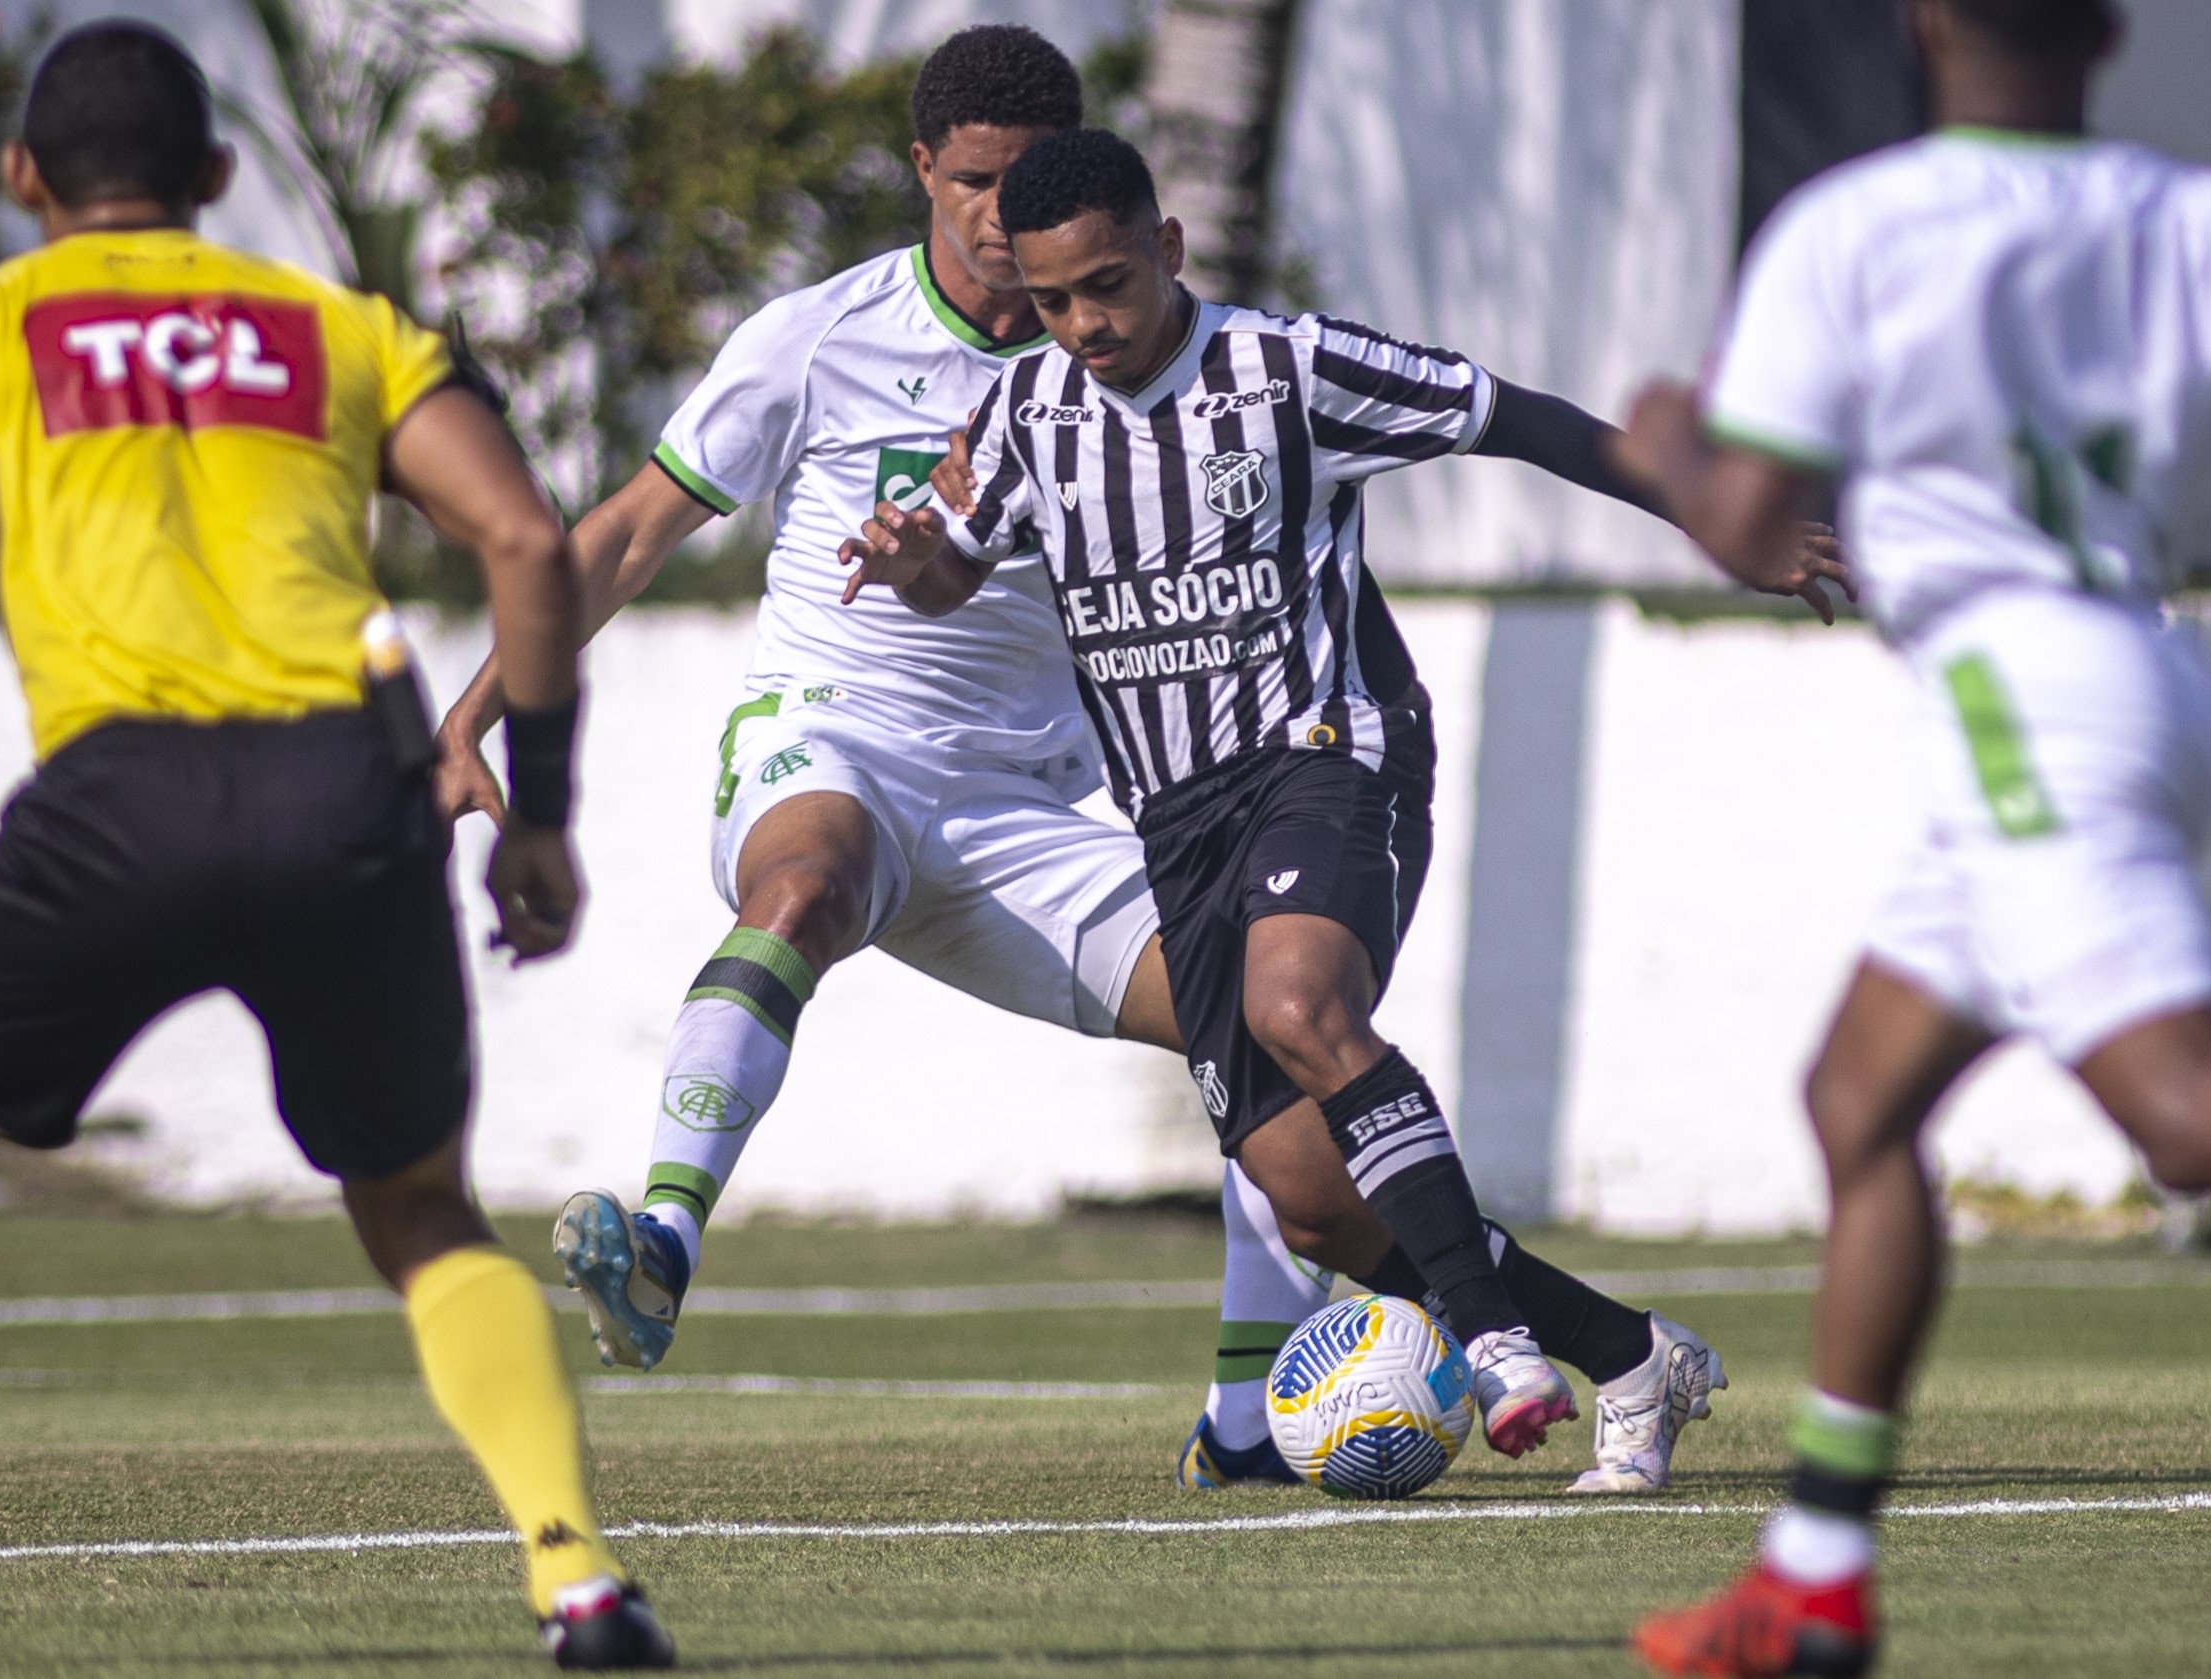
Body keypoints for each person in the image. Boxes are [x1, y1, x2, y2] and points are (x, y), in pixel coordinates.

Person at [436, 25, 1712, 1497]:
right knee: (808, 878)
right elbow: (622, 536)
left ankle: (1498, 1373)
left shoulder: (1124, 373)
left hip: (1033, 815)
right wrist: (478, 711)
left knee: (1301, 1146)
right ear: (925, 173)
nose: (994, 216)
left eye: (1022, 188)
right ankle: (664, 1234)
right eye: (971, 183)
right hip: (833, 739)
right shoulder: (816, 339)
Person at [1611, 0, 2211, 1670]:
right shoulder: (2193, 209)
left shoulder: (1851, 227)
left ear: (1925, 23)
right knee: (1859, 1102)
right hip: (2137, 671)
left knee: (2194, 1123)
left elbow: (1739, 522)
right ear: (2111, 26)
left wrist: (1660, 438)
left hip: (2016, 701)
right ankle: (1813, 1584)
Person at [840, 127, 1848, 1460]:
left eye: (1109, 286)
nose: (1084, 322)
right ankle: (1630, 1357)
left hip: (1329, 752)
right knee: (1311, 1200)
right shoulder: (1025, 414)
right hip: (1177, 827)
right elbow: (952, 570)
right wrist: (911, 557)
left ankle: (1488, 1346)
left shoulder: (1293, 370)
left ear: (1168, 250)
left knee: (1301, 1004)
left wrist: (1726, 520)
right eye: (1051, 299)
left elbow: (1523, 419)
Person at [0, 23, 671, 1670]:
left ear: (20, 182)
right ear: (214, 181)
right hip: (351, 797)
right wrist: (541, 814)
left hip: (113, 807)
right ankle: (574, 1577)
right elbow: (519, 536)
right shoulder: (337, 327)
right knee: (421, 1215)